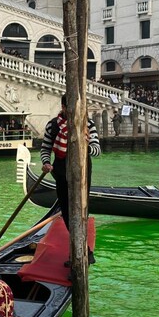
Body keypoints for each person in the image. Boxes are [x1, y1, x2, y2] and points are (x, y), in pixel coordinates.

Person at [40, 94, 101, 223]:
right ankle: (71, 232)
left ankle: (80, 233)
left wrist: (85, 147)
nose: (76, 111)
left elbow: (97, 151)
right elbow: (45, 149)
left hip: (83, 170)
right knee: (65, 206)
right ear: (63, 107)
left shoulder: (88, 124)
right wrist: (46, 162)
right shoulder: (52, 125)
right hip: (61, 170)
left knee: (82, 205)